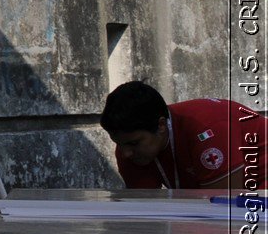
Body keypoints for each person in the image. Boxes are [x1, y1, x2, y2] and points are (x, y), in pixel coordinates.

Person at [100, 80, 265, 189]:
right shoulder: (129, 145)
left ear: (161, 125)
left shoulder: (207, 130)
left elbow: (223, 209)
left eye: (134, 144)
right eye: (119, 144)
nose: (125, 153)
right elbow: (144, 209)